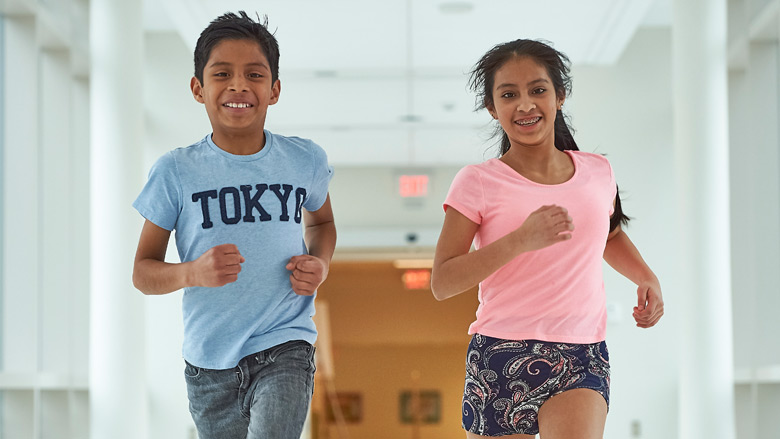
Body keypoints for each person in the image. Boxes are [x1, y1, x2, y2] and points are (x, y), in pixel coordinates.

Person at [430, 39, 663, 439]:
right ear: (492, 108)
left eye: (538, 90)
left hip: (581, 352)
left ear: (560, 96)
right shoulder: (478, 182)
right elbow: (443, 282)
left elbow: (608, 236)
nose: (525, 105)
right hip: (501, 355)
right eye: (509, 94)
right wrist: (520, 239)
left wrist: (647, 277)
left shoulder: (597, 171)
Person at [132, 11, 336, 439]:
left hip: (285, 344)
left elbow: (324, 222)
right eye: (222, 73)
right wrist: (192, 273)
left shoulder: (305, 160)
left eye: (254, 74)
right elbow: (143, 273)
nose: (238, 85)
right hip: (209, 366)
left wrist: (321, 264)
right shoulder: (176, 170)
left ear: (274, 90)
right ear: (198, 88)